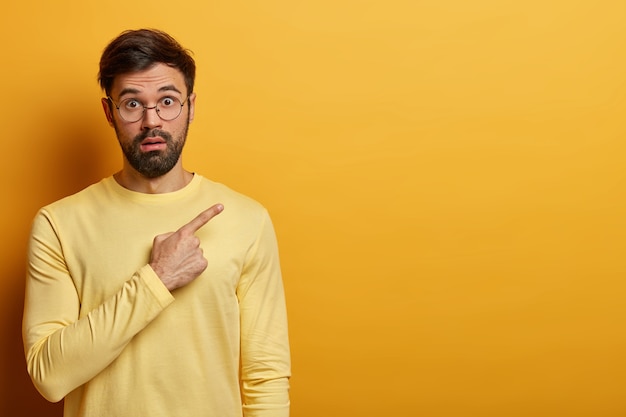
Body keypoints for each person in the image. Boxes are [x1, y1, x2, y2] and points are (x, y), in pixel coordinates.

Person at [22, 29, 291, 417]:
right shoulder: (58, 225)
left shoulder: (247, 220)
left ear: (191, 106)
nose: (152, 121)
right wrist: (157, 279)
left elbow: (265, 376)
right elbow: (49, 376)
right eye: (132, 104)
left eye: (167, 101)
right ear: (109, 112)